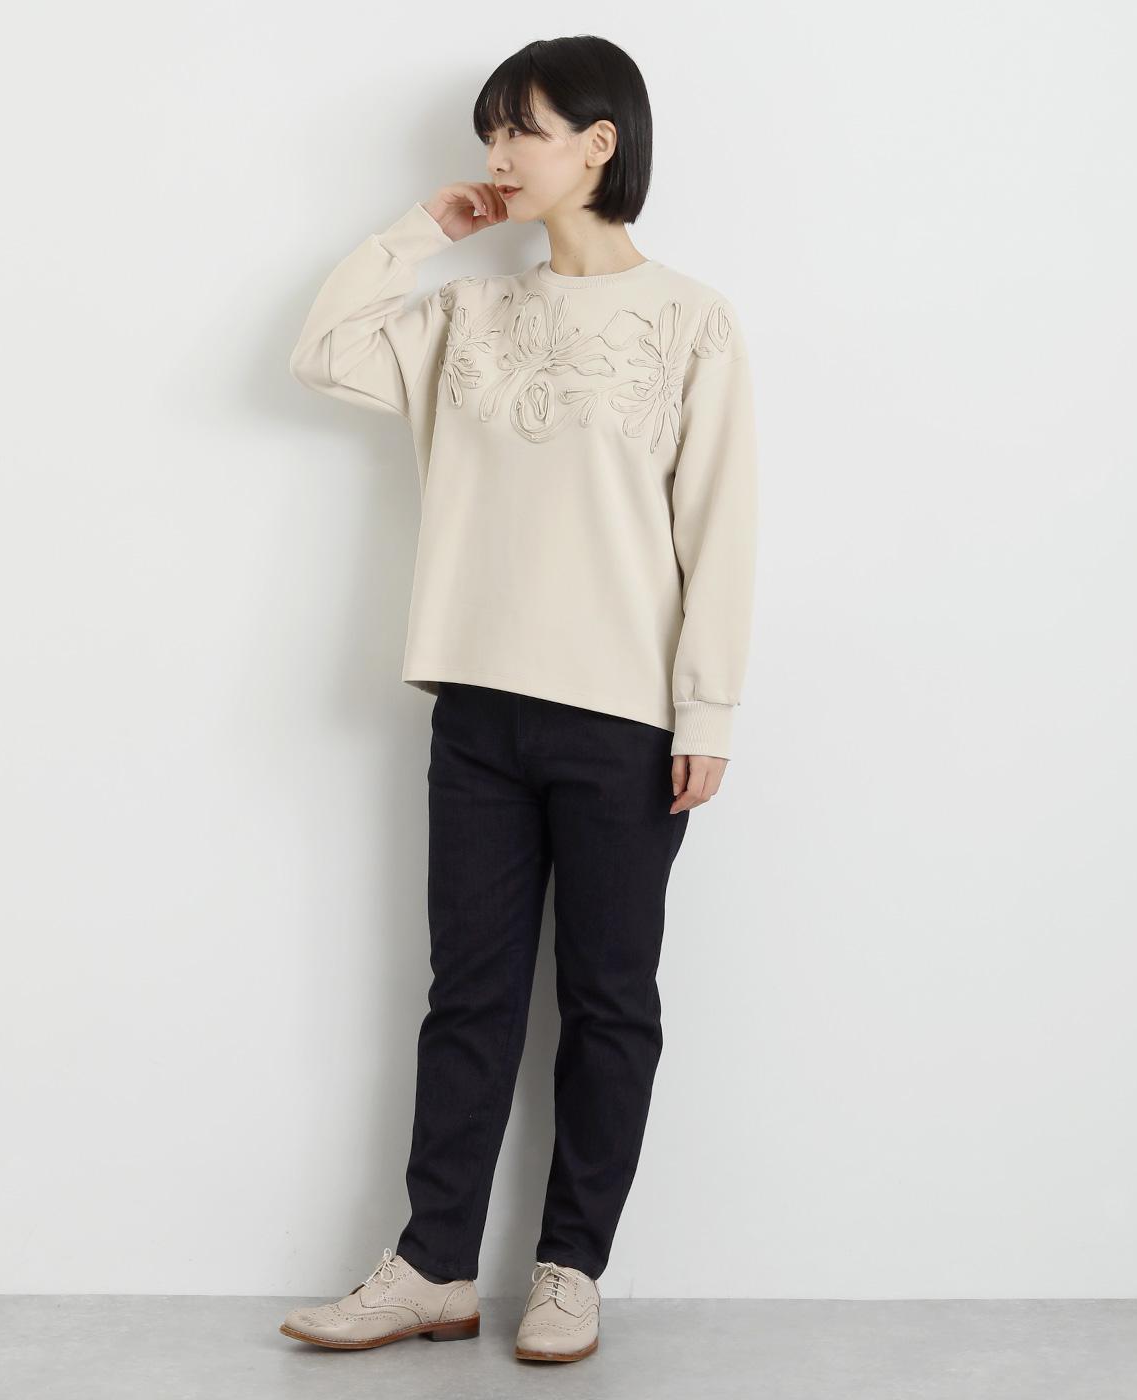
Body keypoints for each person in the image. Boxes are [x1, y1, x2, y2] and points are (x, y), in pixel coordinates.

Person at [277, 34, 758, 1364]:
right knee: (469, 1000)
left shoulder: (693, 321)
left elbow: (721, 529)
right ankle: (432, 1267)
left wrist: (708, 711)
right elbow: (322, 354)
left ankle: (570, 1269)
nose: (498, 155)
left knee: (609, 1003)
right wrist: (420, 233)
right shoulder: (467, 316)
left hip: (624, 721)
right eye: (491, 131)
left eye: (524, 129)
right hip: (478, 709)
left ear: (601, 143)